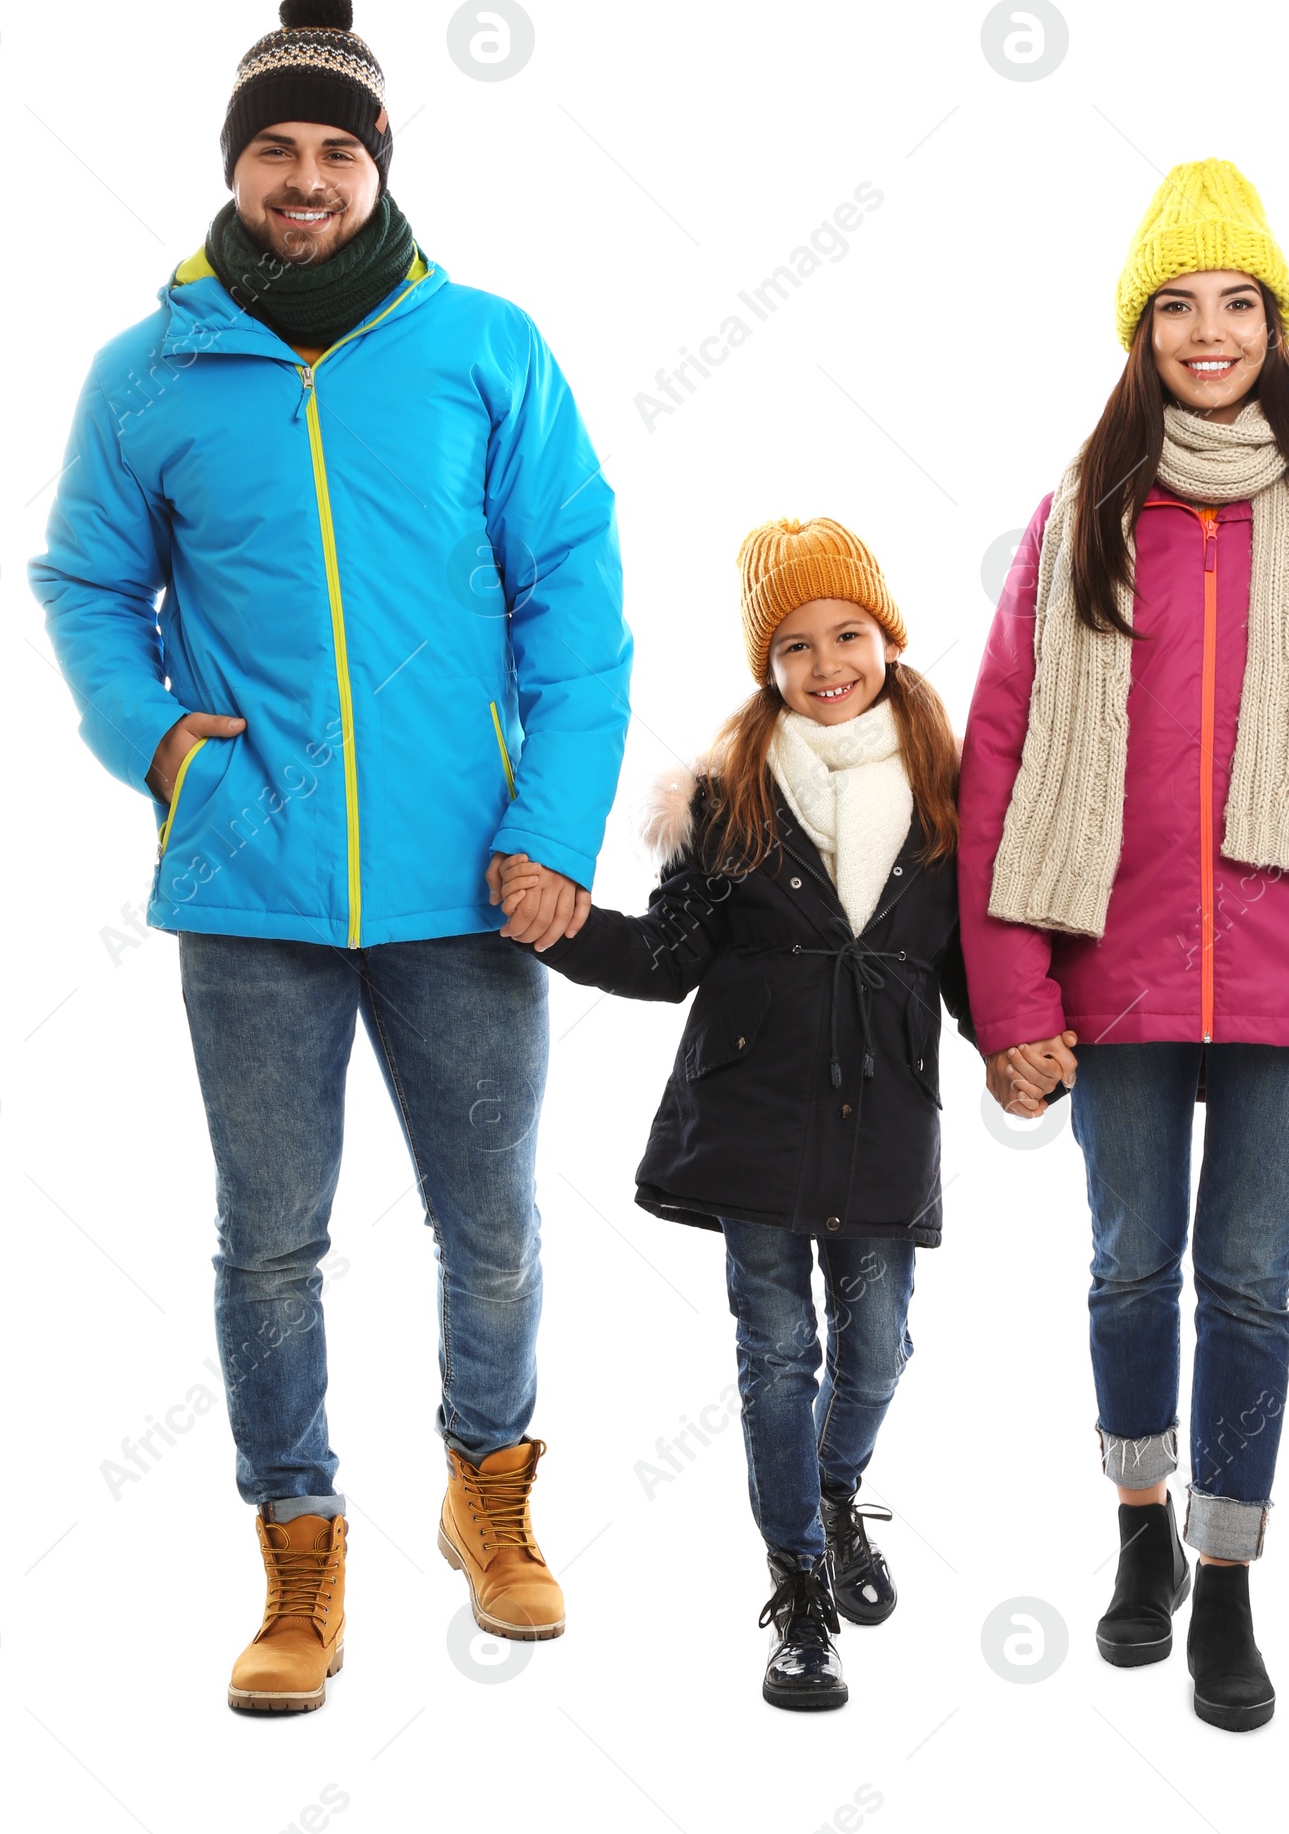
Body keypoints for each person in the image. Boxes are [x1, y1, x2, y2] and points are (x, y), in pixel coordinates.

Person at [28, 0, 632, 1712]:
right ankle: (298, 1544)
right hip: (254, 883)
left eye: (334, 150)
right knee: (271, 1239)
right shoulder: (149, 370)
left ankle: (488, 1488)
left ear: (379, 164)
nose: (304, 178)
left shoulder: (484, 347)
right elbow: (82, 581)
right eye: (273, 151)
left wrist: (553, 829)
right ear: (236, 170)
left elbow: (572, 596)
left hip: (468, 879)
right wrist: (155, 740)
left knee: (493, 1226)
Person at [957, 159, 1289, 1732]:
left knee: (1248, 1285)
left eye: (1237, 300)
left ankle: (1230, 1575)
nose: (1209, 329)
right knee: (1130, 1265)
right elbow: (1001, 760)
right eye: (1177, 303)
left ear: (1276, 320)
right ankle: (1139, 1531)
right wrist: (1010, 1002)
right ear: (1141, 328)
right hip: (1112, 971)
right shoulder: (1077, 523)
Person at [498, 517, 974, 1709]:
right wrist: (561, 926)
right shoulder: (728, 799)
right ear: (767, 666)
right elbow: (667, 958)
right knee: (776, 1355)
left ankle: (829, 1489)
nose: (827, 665)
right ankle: (799, 1588)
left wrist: (1038, 1047)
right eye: (796, 646)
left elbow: (974, 968)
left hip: (886, 1128)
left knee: (873, 1353)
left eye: (848, 635)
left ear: (887, 640)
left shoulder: (951, 796)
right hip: (750, 1124)